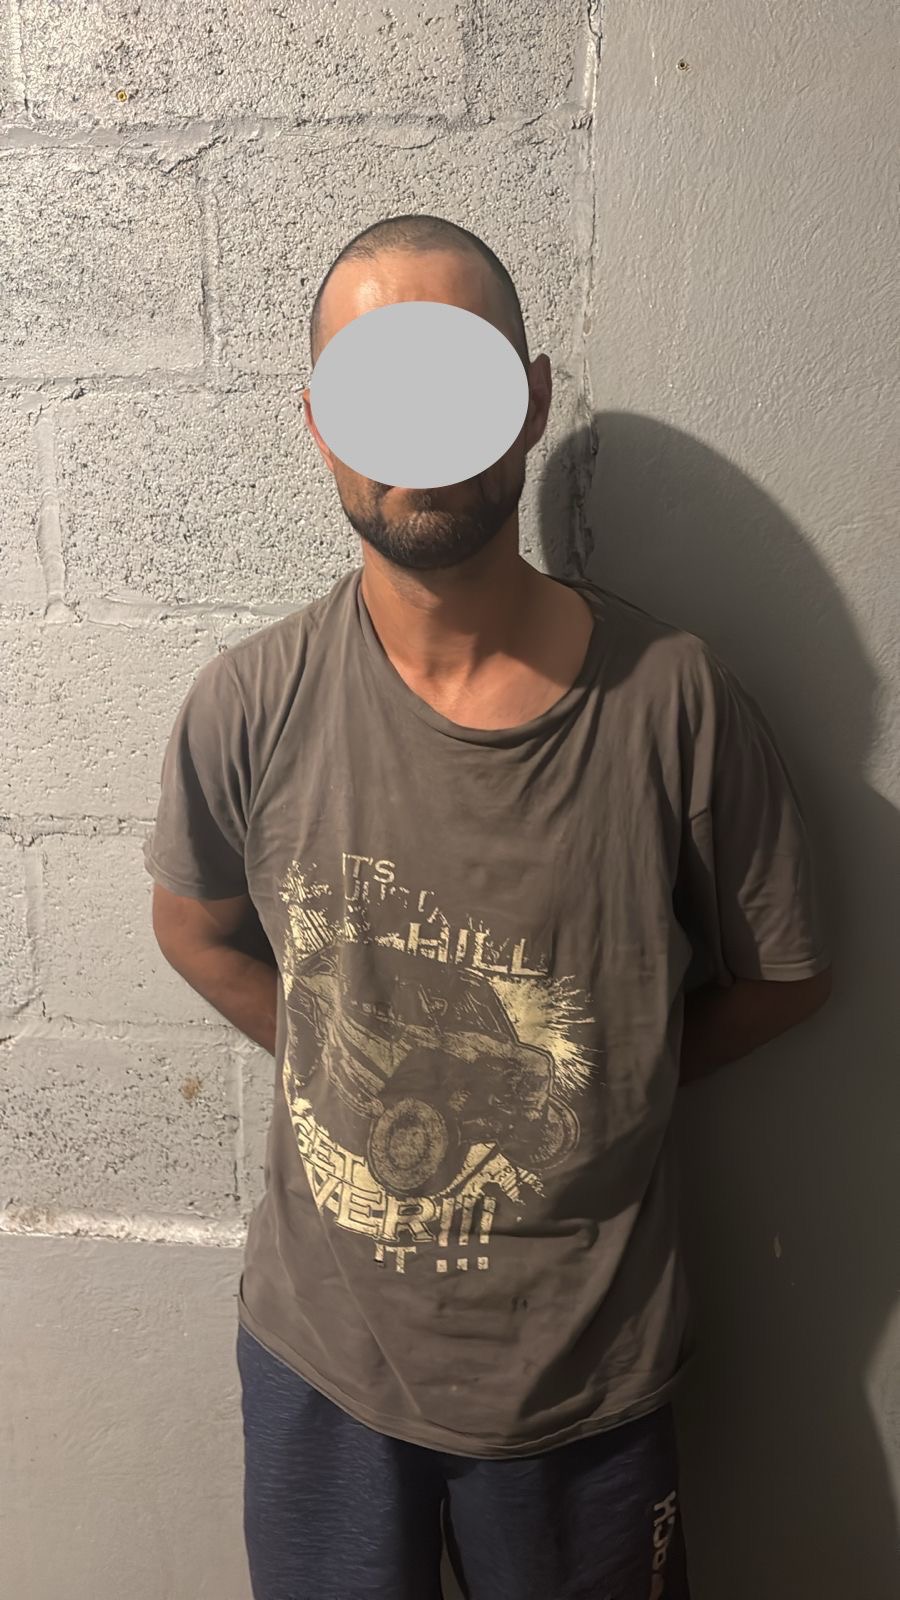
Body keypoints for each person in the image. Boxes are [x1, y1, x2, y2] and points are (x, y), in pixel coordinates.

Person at [145, 214, 833, 1600]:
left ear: (526, 400)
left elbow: (785, 975)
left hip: (585, 1388)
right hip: (322, 1368)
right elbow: (194, 927)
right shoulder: (249, 704)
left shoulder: (674, 703)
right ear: (318, 424)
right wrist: (334, 1057)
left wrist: (610, 1085)